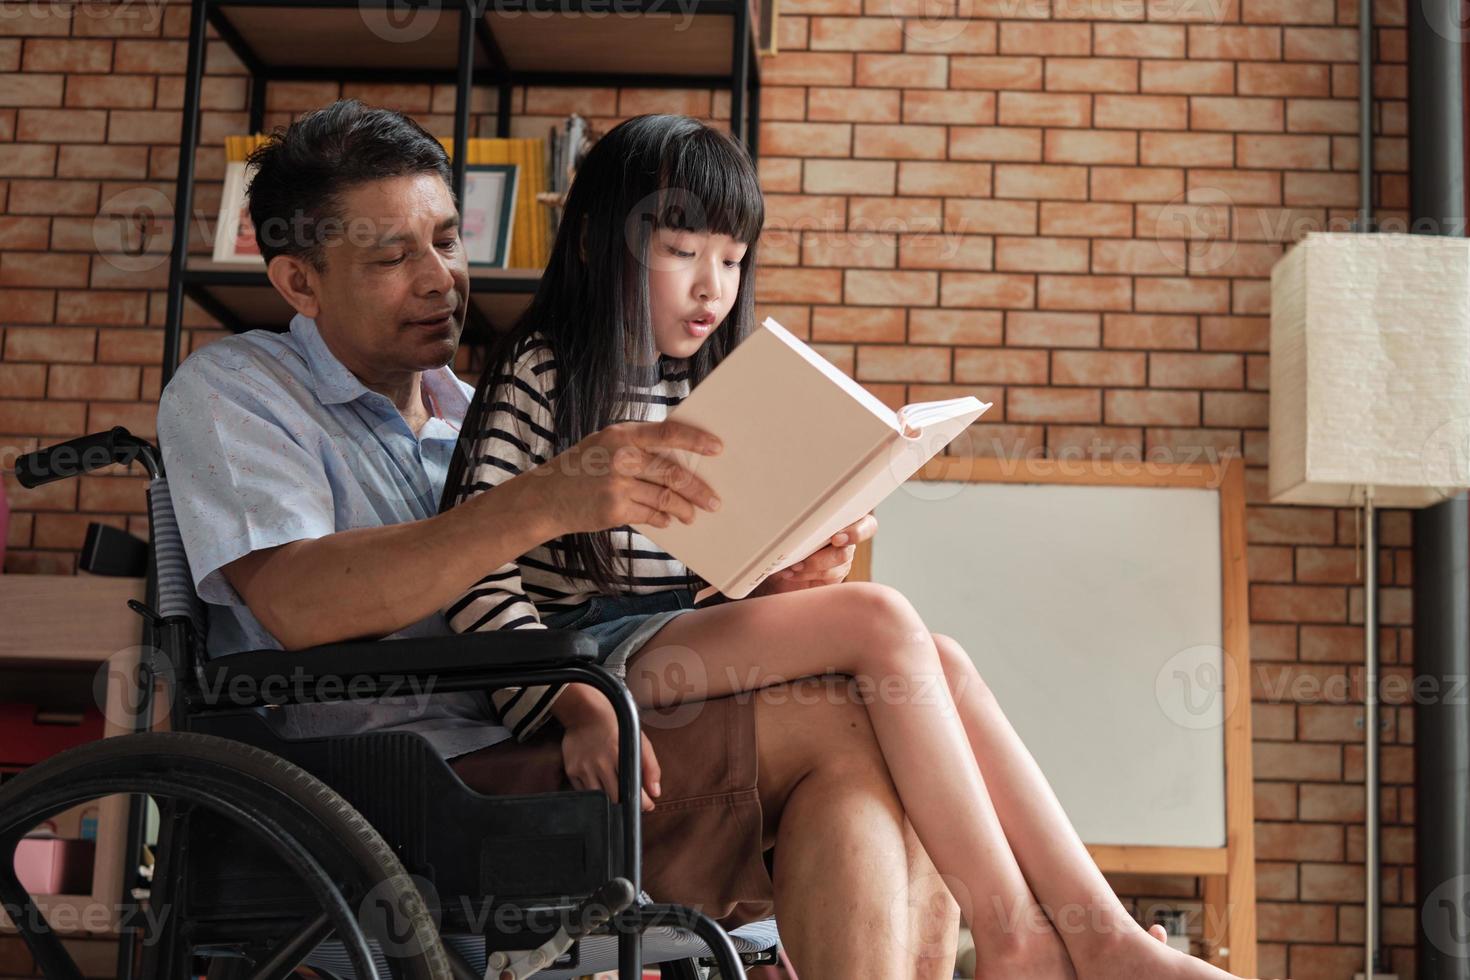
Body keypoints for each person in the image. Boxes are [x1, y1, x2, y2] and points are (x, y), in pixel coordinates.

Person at [155, 99, 961, 979]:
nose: (438, 279)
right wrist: (543, 502)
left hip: (565, 721)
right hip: (409, 780)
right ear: (298, 282)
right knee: (850, 727)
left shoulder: (471, 409)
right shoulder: (236, 389)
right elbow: (300, 605)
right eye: (393, 257)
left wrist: (780, 584)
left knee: (873, 712)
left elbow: (620, 603)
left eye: (447, 241)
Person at [440, 113, 1258, 980]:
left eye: (732, 257)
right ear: (598, 246)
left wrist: (794, 559)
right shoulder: (544, 367)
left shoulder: (709, 385)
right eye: (682, 251)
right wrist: (571, 704)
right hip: (589, 656)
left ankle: (1098, 931)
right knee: (880, 619)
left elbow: (710, 583)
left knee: (935, 660)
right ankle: (1024, 939)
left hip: (668, 640)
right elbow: (472, 566)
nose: (712, 286)